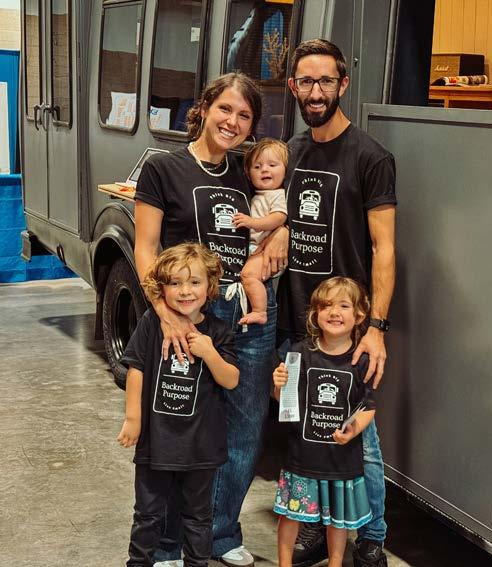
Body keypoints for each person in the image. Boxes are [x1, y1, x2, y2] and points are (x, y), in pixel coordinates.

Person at [134, 72, 288, 566]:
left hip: (249, 310)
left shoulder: (249, 168)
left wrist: (282, 232)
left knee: (244, 425)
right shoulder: (164, 167)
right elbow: (146, 248)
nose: (232, 122)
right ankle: (170, 541)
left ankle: (219, 533)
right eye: (225, 109)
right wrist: (165, 313)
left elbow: (280, 206)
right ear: (203, 108)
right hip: (190, 311)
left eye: (244, 115)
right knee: (181, 426)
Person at [277, 39, 397, 567]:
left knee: (359, 441)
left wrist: (377, 327)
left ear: (343, 84)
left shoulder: (371, 157)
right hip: (296, 321)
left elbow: (384, 248)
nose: (316, 92)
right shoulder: (292, 151)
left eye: (326, 81)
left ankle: (371, 538)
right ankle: (313, 527)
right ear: (293, 87)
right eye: (306, 81)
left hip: (348, 329)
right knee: (306, 431)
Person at [117, 243, 240, 567]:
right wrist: (133, 418)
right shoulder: (151, 323)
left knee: (198, 518)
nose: (185, 291)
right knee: (147, 514)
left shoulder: (219, 331)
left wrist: (210, 353)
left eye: (194, 282)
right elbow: (136, 369)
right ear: (162, 288)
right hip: (156, 442)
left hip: (201, 447)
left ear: (210, 286)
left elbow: (231, 380)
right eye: (175, 283)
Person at [273, 277, 376, 567]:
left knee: (337, 521)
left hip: (341, 461)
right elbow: (285, 402)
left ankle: (335, 563)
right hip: (302, 458)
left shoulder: (361, 361)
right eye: (326, 305)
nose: (334, 312)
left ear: (359, 315)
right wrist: (278, 385)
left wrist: (352, 431)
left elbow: (368, 408)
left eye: (343, 306)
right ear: (315, 313)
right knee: (291, 515)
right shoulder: (300, 352)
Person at [232, 138, 288, 326]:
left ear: (285, 170)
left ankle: (259, 311)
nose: (264, 170)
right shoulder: (257, 194)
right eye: (257, 167)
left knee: (248, 276)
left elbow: (278, 217)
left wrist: (252, 222)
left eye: (272, 165)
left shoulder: (278, 194)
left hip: (266, 252)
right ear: (248, 174)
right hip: (254, 248)